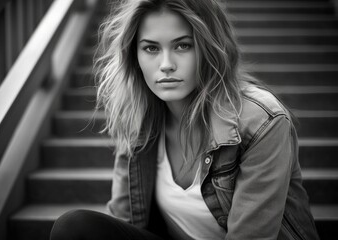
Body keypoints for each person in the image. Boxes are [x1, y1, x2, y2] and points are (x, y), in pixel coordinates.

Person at [50, 0, 320, 239]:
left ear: (210, 48)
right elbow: (124, 222)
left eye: (182, 45)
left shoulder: (261, 122)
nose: (166, 64)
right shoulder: (138, 119)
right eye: (151, 48)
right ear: (136, 57)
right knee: (75, 227)